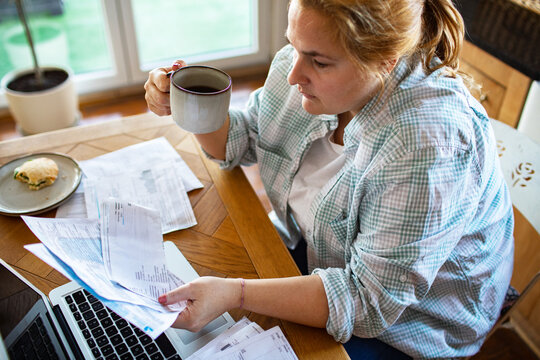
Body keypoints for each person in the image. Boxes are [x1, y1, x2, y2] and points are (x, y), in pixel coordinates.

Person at [144, 0, 514, 358]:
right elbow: (249, 135)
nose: (293, 74)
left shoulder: (427, 143)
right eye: (294, 45)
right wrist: (191, 104)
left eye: (319, 62)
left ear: (384, 61)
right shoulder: (303, 69)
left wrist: (235, 293)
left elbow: (367, 303)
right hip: (321, 254)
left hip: (409, 326)